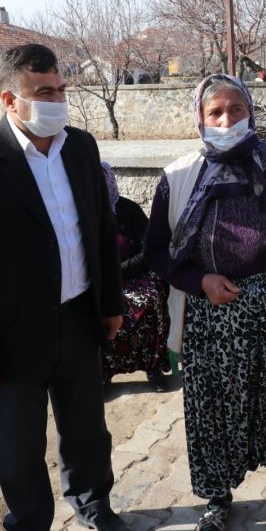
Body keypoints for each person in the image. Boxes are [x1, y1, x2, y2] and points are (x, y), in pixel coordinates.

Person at [0, 44, 133, 531]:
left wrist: (110, 303)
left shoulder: (80, 148)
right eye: (43, 92)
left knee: (87, 430)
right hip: (11, 337)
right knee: (20, 445)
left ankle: (94, 505)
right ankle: (29, 526)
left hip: (78, 320)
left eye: (61, 89)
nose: (57, 100)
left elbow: (100, 231)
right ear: (9, 99)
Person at [144, 73, 266, 531]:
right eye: (216, 112)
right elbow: (157, 252)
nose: (227, 119)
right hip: (210, 314)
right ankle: (217, 498)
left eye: (236, 109)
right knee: (213, 409)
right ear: (200, 119)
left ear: (251, 112)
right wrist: (199, 280)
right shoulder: (178, 176)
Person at [99, 161, 170, 391]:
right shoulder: (82, 214)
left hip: (134, 275)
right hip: (100, 282)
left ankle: (154, 367)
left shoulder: (128, 210)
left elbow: (147, 250)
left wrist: (119, 273)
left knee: (150, 301)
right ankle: (103, 372)